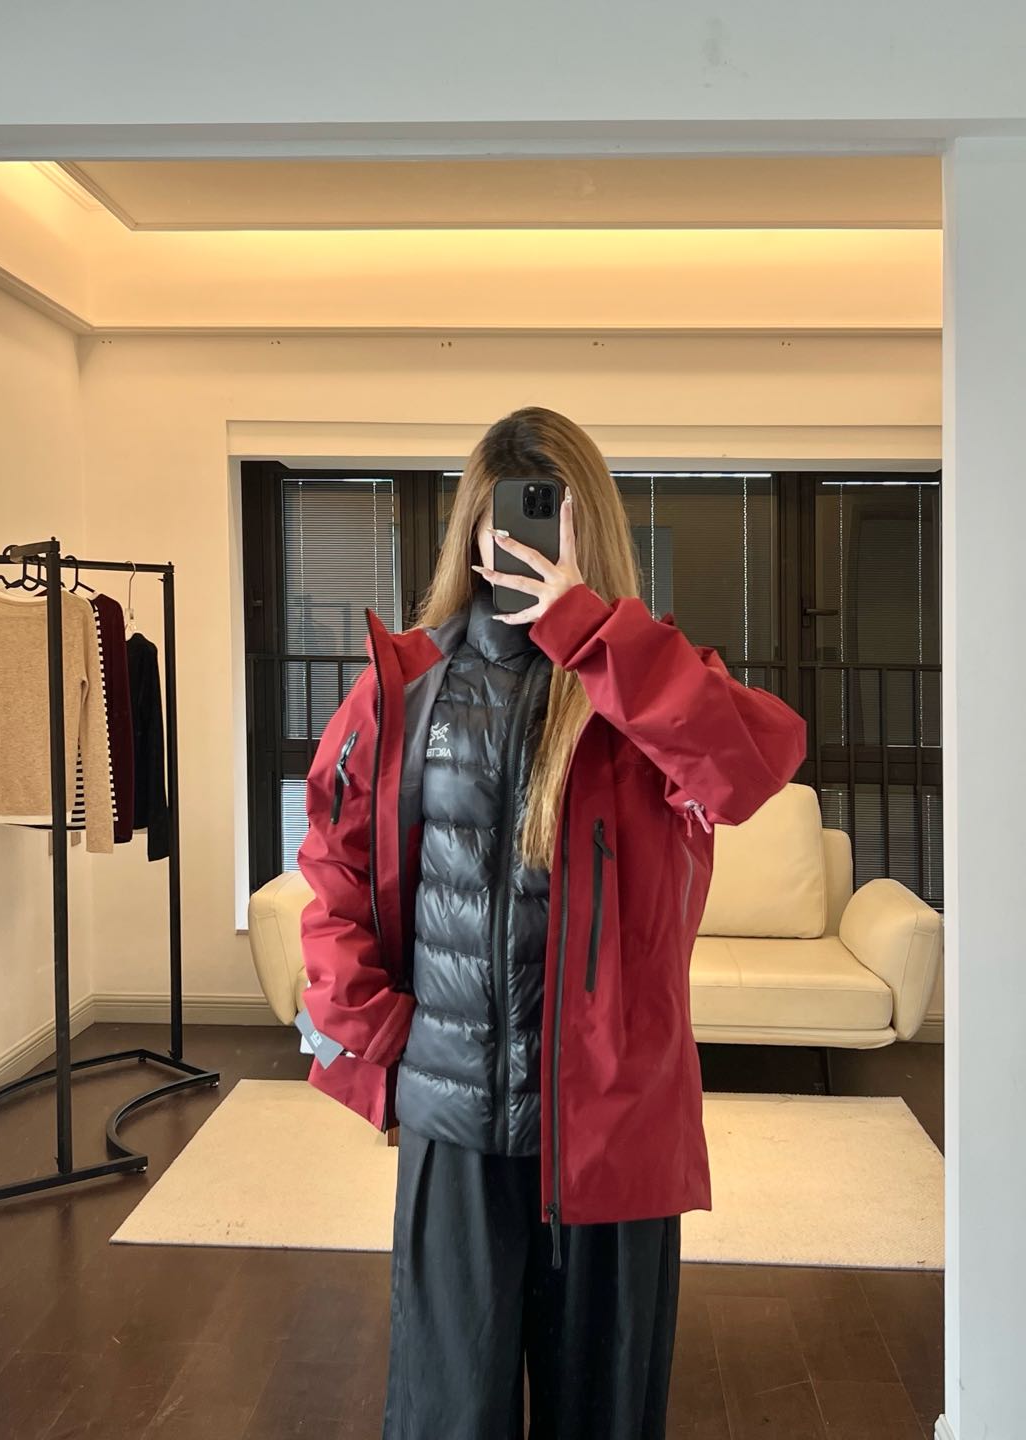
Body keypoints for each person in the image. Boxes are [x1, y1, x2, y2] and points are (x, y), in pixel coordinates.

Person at [296, 406, 809, 1439]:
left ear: (589, 527)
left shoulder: (645, 687)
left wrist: (589, 629)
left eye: (548, 516)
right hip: (454, 1125)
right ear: (471, 528)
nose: (522, 539)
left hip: (613, 1130)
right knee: (448, 1417)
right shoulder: (408, 686)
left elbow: (753, 765)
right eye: (506, 516)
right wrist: (382, 1031)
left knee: (603, 1418)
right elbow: (334, 865)